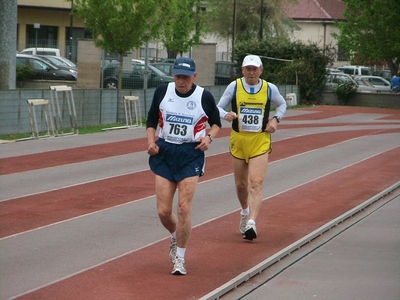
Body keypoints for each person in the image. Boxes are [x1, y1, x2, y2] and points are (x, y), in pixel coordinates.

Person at [146, 57, 221, 275]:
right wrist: (151, 141)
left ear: (194, 77)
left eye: (186, 77)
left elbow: (216, 123)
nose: (181, 81)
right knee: (163, 211)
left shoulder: (203, 96)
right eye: (178, 76)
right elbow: (151, 121)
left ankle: (180, 257)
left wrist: (209, 138)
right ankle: (174, 235)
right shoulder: (162, 91)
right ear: (173, 75)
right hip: (165, 151)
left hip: (191, 153)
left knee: (184, 207)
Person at [216, 54, 287, 241]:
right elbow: (218, 108)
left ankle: (252, 224)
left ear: (261, 70)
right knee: (241, 184)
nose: (251, 72)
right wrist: (226, 115)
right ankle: (245, 211)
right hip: (239, 140)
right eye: (248, 68)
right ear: (242, 70)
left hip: (260, 140)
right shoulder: (235, 86)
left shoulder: (269, 88)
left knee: (256, 182)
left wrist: (275, 120)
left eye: (255, 69)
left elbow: (282, 104)